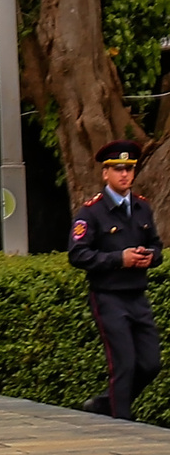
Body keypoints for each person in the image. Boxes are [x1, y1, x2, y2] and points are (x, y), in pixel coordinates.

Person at [71, 139, 162, 418]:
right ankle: (121, 423)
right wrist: (118, 259)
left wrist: (151, 257)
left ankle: (105, 403)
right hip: (108, 296)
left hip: (137, 295)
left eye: (129, 169)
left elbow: (157, 246)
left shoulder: (142, 208)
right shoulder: (91, 212)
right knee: (124, 364)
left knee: (150, 363)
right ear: (105, 174)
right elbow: (77, 254)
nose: (124, 174)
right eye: (117, 169)